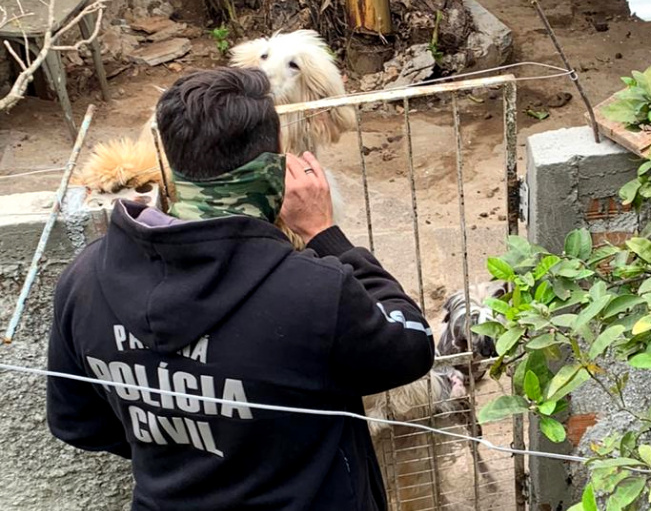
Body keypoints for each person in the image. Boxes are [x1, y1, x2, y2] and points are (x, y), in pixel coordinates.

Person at [46, 67, 434, 510]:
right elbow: (411, 347)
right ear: (274, 172)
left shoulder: (84, 280)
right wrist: (325, 233)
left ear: (170, 163)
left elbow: (77, 423)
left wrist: (192, 445)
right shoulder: (314, 291)